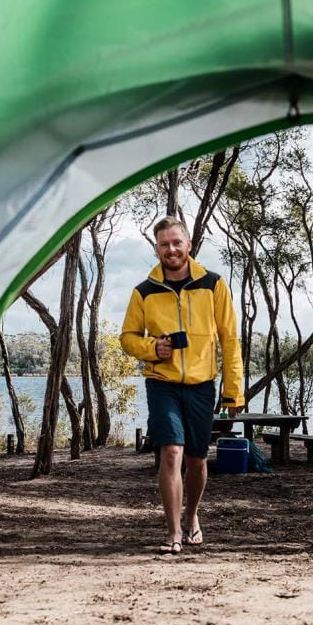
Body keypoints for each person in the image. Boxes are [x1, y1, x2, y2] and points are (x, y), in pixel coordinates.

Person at [120, 216, 244, 554]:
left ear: (189, 245)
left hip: (202, 385)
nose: (171, 249)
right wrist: (152, 349)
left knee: (196, 460)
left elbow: (230, 339)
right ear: (157, 249)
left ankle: (191, 516)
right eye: (164, 244)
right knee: (170, 452)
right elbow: (128, 338)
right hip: (162, 383)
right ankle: (173, 531)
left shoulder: (213, 285)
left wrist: (234, 390)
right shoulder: (144, 292)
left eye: (177, 242)